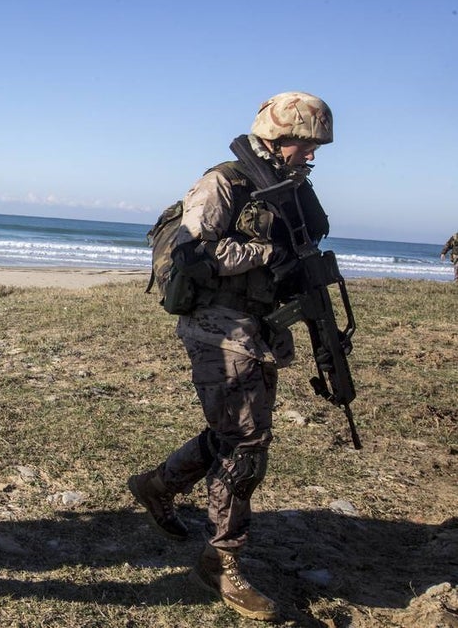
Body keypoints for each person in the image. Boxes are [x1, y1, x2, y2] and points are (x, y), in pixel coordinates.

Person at [127, 92, 336, 622]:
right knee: (246, 443)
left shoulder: (288, 187)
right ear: (277, 136)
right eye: (305, 143)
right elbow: (192, 253)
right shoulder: (224, 182)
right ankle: (220, 560)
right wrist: (268, 253)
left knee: (234, 432)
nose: (311, 154)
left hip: (258, 325)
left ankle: (157, 486)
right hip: (216, 327)